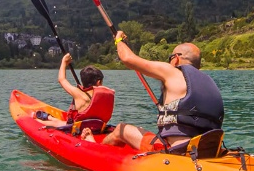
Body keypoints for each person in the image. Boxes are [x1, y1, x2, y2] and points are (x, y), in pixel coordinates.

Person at [81, 31, 224, 155]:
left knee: (121, 129)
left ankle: (94, 147)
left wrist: (119, 40)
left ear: (176, 58)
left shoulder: (173, 71)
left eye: (170, 58)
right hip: (208, 150)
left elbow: (127, 59)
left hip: (177, 151)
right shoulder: (210, 82)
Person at [36, 53, 115, 128]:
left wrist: (64, 61)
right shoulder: (104, 95)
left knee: (58, 123)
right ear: (99, 82)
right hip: (96, 128)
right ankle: (50, 118)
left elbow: (61, 79)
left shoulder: (79, 94)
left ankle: (36, 120)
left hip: (78, 129)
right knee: (61, 123)